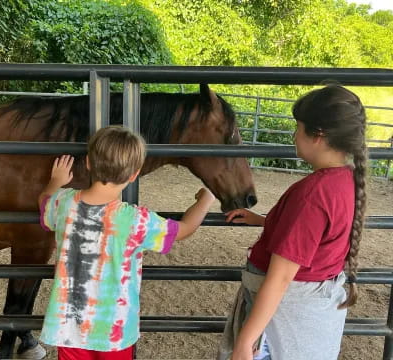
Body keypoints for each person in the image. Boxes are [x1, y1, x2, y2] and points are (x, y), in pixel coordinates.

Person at [38, 126, 216, 360]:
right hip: (115, 329)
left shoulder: (65, 203)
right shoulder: (136, 220)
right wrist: (207, 198)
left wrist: (56, 181)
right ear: (134, 174)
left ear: (89, 162)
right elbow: (183, 230)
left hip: (69, 324)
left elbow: (44, 203)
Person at [217, 85, 368, 360]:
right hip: (312, 316)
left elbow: (281, 277)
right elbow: (315, 237)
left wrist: (246, 340)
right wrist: (267, 222)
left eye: (298, 128)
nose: (294, 135)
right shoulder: (347, 180)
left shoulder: (312, 194)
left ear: (318, 136)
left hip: (282, 321)